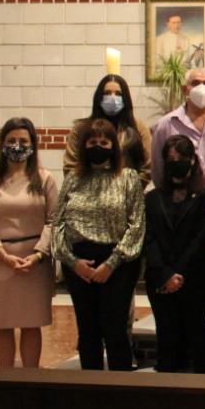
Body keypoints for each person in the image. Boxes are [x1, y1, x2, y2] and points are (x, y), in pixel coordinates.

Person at [51, 117, 145, 370]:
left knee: (115, 329)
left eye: (104, 142)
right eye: (93, 141)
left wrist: (112, 263)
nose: (98, 146)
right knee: (88, 328)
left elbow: (136, 226)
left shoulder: (128, 178)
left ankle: (119, 389)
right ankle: (91, 385)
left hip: (117, 264)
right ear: (84, 146)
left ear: (114, 146)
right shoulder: (73, 178)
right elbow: (57, 223)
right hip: (79, 263)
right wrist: (72, 262)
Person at [0, 117, 58, 368]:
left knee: (32, 324)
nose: (17, 146)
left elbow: (54, 221)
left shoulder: (45, 179)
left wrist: (38, 254)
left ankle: (30, 379)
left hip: (35, 262)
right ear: (2, 145)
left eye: (23, 141)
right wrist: (3, 255)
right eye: (11, 141)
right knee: (2, 324)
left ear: (33, 144)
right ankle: (5, 381)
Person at [143, 135, 205, 373]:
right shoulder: (152, 198)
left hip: (195, 278)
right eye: (171, 159)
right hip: (161, 278)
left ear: (193, 160)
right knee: (167, 337)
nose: (177, 162)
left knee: (198, 336)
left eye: (182, 158)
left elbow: (202, 237)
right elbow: (149, 237)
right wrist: (164, 274)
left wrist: (179, 273)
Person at [65, 74, 152, 188]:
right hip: (87, 196)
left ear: (125, 98)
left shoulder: (138, 127)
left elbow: (147, 167)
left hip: (126, 196)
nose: (112, 98)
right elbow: (70, 167)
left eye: (118, 94)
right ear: (99, 97)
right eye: (107, 93)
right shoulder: (81, 128)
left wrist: (130, 192)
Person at [151, 68, 205, 188]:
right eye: (195, 83)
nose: (201, 88)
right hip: (180, 199)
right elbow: (158, 169)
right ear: (185, 89)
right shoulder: (165, 124)